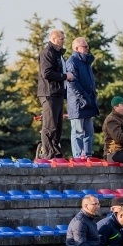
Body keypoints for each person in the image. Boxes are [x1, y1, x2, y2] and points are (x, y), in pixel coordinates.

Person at [37, 28, 72, 159]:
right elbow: (46, 73)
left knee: (58, 126)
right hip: (49, 93)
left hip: (57, 94)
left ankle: (55, 151)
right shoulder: (47, 53)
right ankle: (47, 152)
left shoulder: (58, 54)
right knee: (49, 125)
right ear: (53, 39)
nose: (63, 41)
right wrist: (64, 76)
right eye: (61, 39)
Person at [66, 37, 99, 159]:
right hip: (78, 103)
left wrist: (91, 97)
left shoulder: (86, 62)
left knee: (89, 131)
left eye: (87, 46)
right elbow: (72, 83)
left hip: (88, 101)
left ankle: (88, 154)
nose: (87, 48)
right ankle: (78, 156)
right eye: (84, 46)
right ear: (76, 48)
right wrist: (84, 97)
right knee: (78, 131)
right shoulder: (72, 62)